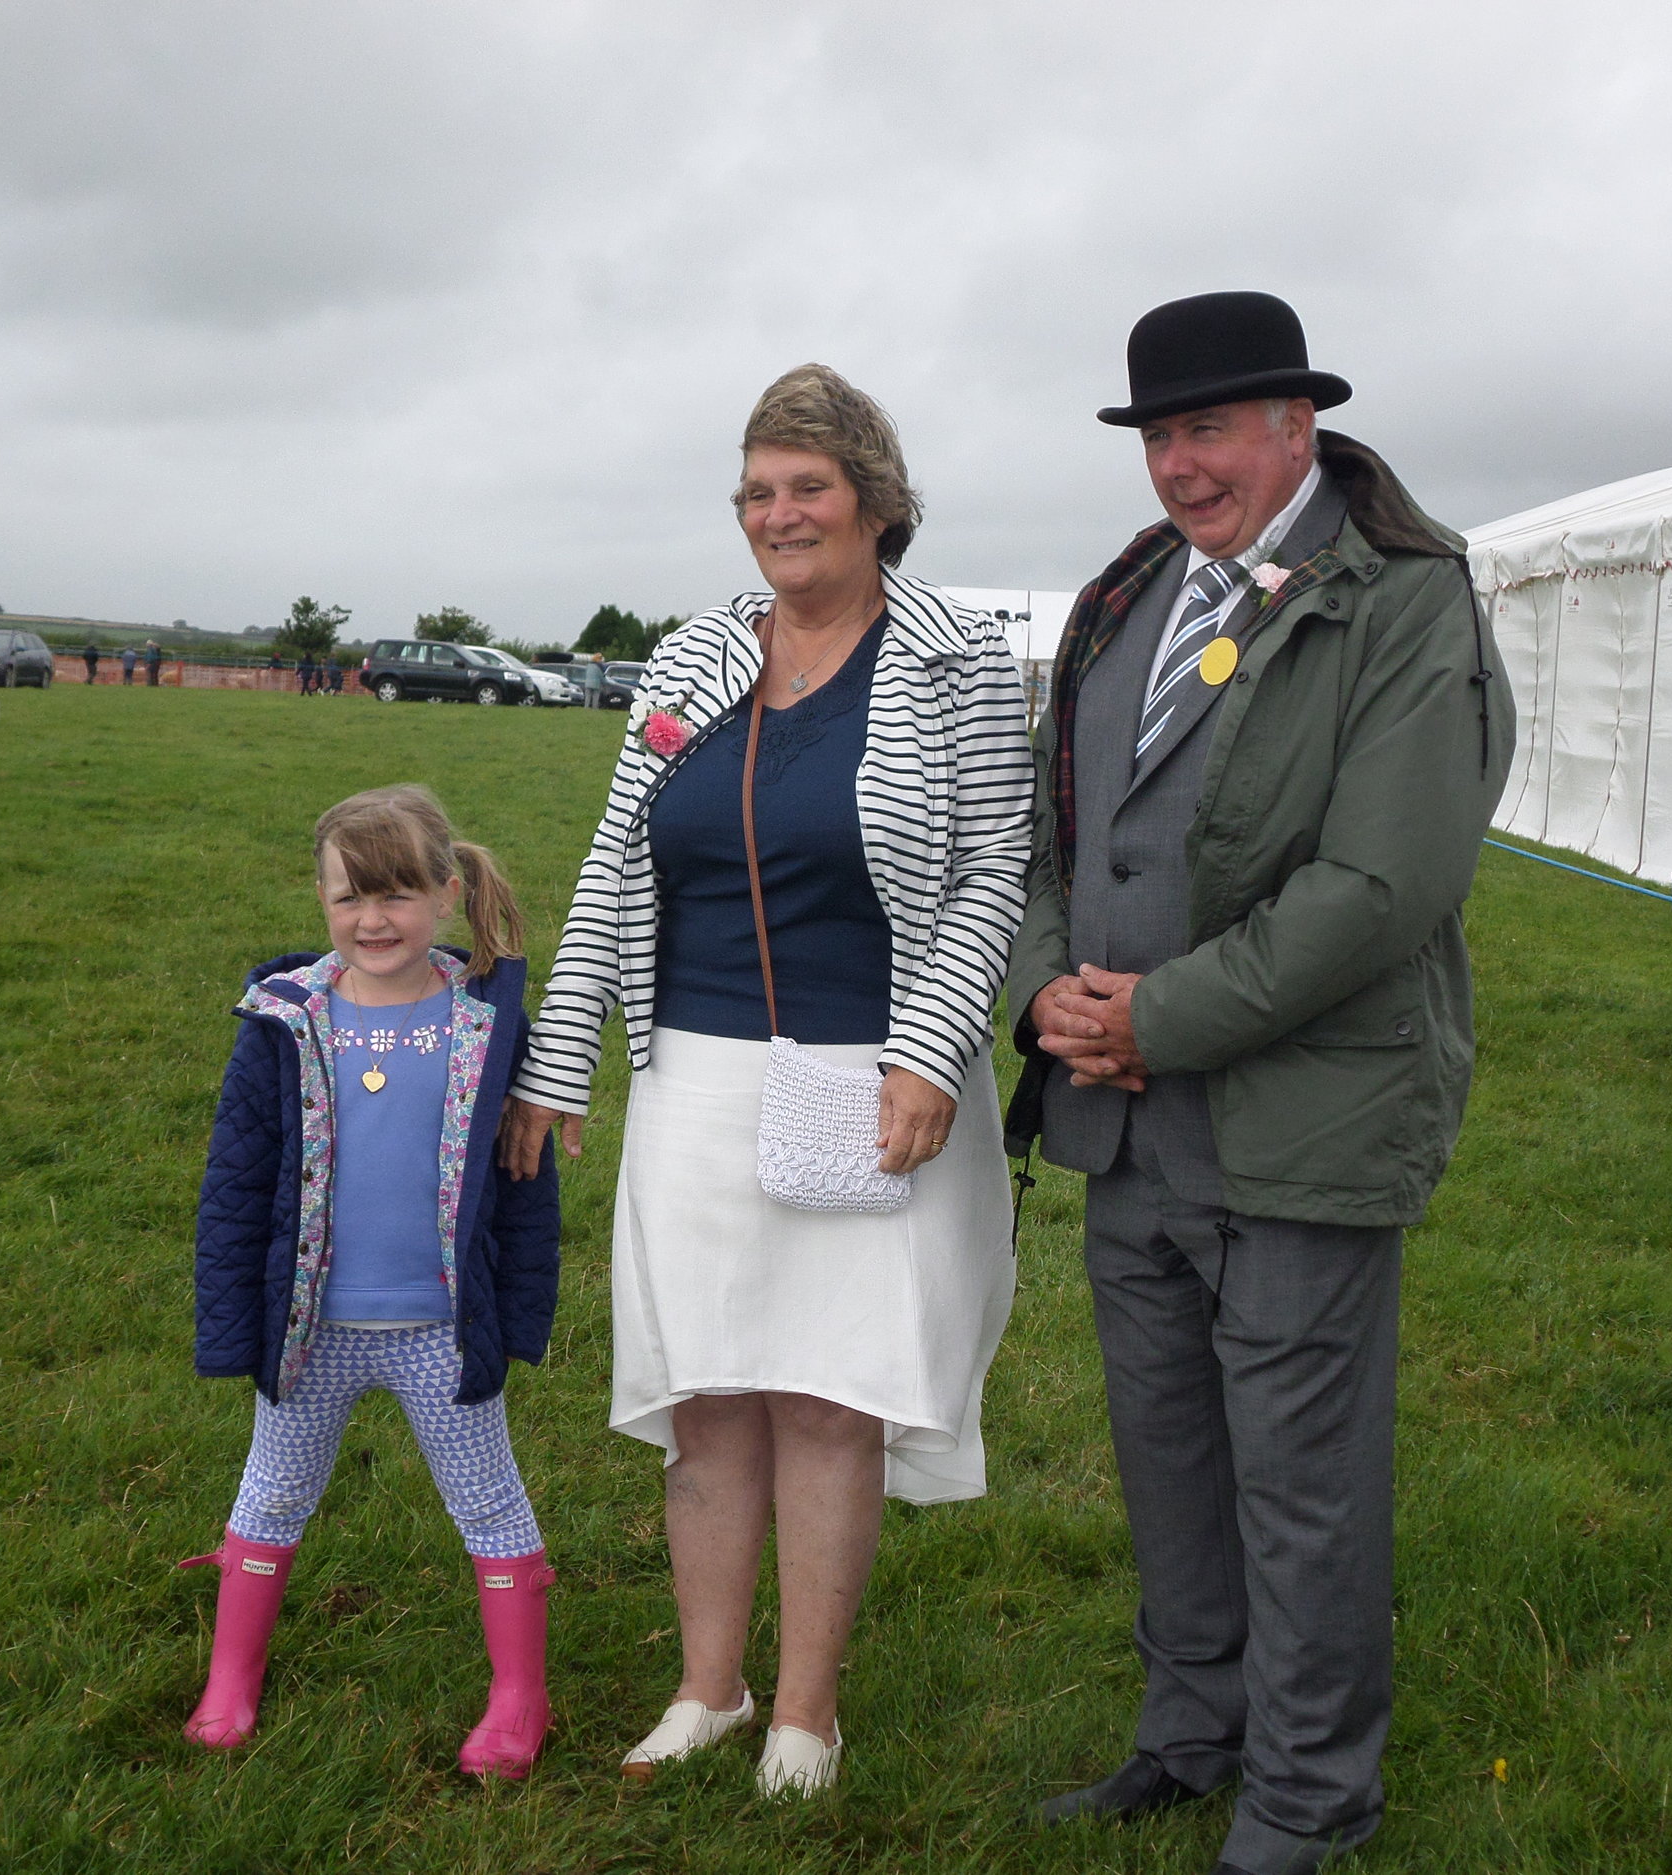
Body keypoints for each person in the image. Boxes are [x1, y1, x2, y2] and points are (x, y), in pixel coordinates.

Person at [1005, 293, 1512, 1875]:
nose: (1179, 463)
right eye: (1159, 433)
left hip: (1302, 1123)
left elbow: (1381, 884)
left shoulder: (1406, 599)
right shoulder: (1130, 594)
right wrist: (1046, 997)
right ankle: (1189, 1735)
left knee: (1301, 1484)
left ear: (1298, 423)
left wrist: (1158, 1013)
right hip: (1125, 1123)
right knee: (1169, 1459)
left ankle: (1307, 1796)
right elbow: (1052, 841)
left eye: (1209, 427)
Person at [500, 364, 1032, 1798]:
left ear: (875, 500)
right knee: (712, 1390)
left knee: (830, 1393)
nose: (777, 514)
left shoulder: (959, 654)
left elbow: (996, 866)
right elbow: (618, 860)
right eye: (755, 490)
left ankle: (808, 1710)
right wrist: (556, 1065)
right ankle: (709, 1687)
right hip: (699, 1076)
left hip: (876, 1078)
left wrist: (932, 1044)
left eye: (806, 485)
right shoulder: (690, 657)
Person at [184, 784, 562, 1775]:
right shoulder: (281, 1020)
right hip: (309, 1331)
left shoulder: (485, 1025)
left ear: (445, 893)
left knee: (489, 1500)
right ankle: (230, 1680)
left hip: (442, 1329)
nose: (372, 919)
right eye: (349, 897)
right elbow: (233, 1181)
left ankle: (520, 1698)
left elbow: (524, 1194)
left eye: (396, 896)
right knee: (268, 1495)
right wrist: (234, 1327)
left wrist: (513, 1315)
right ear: (320, 898)